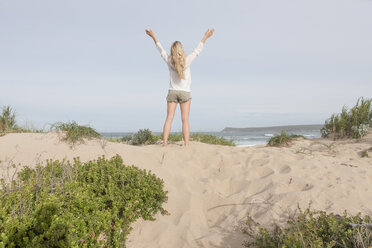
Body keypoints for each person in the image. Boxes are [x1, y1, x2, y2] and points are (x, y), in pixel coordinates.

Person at [145, 28, 215, 146]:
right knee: (185, 119)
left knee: (169, 118)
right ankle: (186, 143)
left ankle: (165, 143)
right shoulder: (187, 61)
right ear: (181, 50)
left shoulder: (169, 60)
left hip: (172, 92)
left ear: (172, 51)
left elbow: (161, 50)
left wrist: (154, 37)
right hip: (185, 93)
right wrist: (205, 37)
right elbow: (197, 50)